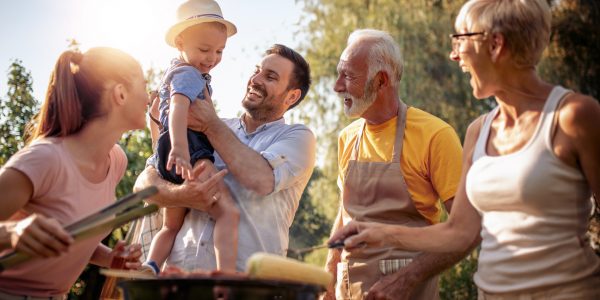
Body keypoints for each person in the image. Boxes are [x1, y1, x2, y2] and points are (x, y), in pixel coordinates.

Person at [330, 1, 600, 299]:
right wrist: (381, 234)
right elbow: (461, 232)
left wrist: (406, 273)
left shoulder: (575, 116)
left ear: (495, 44)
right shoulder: (478, 131)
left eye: (460, 39)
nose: (453, 54)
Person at [134, 43, 316, 272]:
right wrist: (181, 195)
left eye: (270, 76)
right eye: (256, 70)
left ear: (292, 96)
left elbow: (261, 179)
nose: (256, 79)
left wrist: (211, 125)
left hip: (245, 288)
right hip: (178, 280)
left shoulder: (298, 137)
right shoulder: (211, 125)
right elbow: (144, 184)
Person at [322, 29, 470, 300]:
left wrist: (408, 277)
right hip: (349, 288)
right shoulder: (347, 137)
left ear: (381, 81)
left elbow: (467, 230)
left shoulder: (435, 135)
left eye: (348, 76)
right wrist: (330, 267)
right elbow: (345, 211)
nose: (337, 86)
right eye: (339, 73)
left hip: (409, 291)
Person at [0, 47, 147, 298]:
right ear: (120, 94)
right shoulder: (45, 159)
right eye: (144, 86)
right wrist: (11, 233)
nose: (149, 97)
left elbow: (70, 234)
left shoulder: (115, 160)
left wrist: (110, 258)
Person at [143, 0, 239, 275]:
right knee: (228, 213)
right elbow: (178, 109)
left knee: (170, 226)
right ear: (180, 43)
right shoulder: (189, 74)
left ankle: (151, 264)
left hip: (168, 149)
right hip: (188, 145)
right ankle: (227, 274)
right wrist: (182, 150)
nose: (211, 58)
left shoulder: (174, 71)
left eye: (219, 51)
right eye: (204, 49)